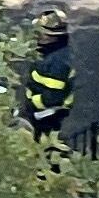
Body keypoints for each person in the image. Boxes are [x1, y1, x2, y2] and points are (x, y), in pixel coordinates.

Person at [24, 11, 79, 139]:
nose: (37, 36)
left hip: (49, 114)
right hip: (45, 109)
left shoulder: (58, 62)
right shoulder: (53, 52)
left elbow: (52, 98)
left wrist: (31, 104)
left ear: (53, 37)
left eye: (41, 33)